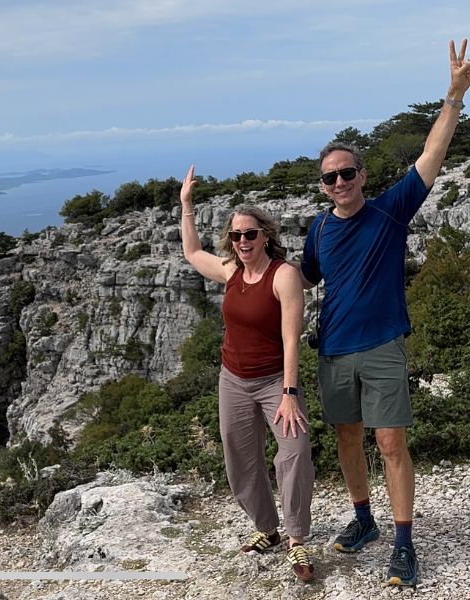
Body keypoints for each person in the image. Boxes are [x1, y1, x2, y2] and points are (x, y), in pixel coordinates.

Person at [298, 38, 470, 588]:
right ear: (323, 185)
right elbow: (300, 280)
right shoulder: (319, 230)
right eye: (330, 177)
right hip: (332, 350)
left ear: (363, 175)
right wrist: (242, 273)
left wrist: (454, 96)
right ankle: (364, 520)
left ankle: (403, 542)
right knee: (347, 439)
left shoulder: (390, 211)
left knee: (390, 443)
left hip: (381, 347)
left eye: (347, 173)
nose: (340, 182)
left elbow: (431, 156)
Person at [180, 167, 315, 582]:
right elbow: (192, 253)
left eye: (250, 234)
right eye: (236, 235)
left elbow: (291, 338)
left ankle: (296, 538)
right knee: (240, 460)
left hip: (275, 380)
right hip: (233, 380)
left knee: (295, 450)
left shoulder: (284, 275)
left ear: (265, 236)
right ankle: (267, 529)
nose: (242, 241)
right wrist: (186, 204)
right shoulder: (231, 271)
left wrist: (289, 392)